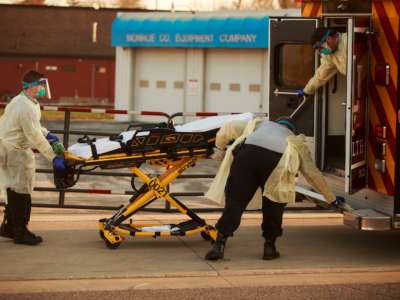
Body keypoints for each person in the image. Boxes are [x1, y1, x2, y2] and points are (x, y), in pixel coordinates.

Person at [205, 117, 343, 261]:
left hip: (248, 155)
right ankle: (269, 247)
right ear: (292, 130)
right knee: (274, 203)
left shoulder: (259, 124)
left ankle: (219, 245)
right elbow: (312, 173)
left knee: (236, 202)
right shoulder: (296, 141)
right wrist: (331, 198)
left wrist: (220, 149)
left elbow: (228, 128)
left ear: (276, 122)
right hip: (278, 160)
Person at [0, 70, 66, 245]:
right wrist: (53, 157)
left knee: (13, 189)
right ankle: (21, 233)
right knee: (22, 190)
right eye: (41, 85)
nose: (43, 89)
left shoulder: (25, 101)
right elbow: (34, 136)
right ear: (33, 86)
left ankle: (9, 227)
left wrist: (49, 134)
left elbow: (35, 127)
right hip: (15, 151)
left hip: (11, 148)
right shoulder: (25, 106)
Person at [297, 28, 347, 98]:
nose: (321, 51)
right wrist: (307, 90)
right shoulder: (330, 55)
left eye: (321, 48)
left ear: (329, 39)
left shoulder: (348, 41)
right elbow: (321, 75)